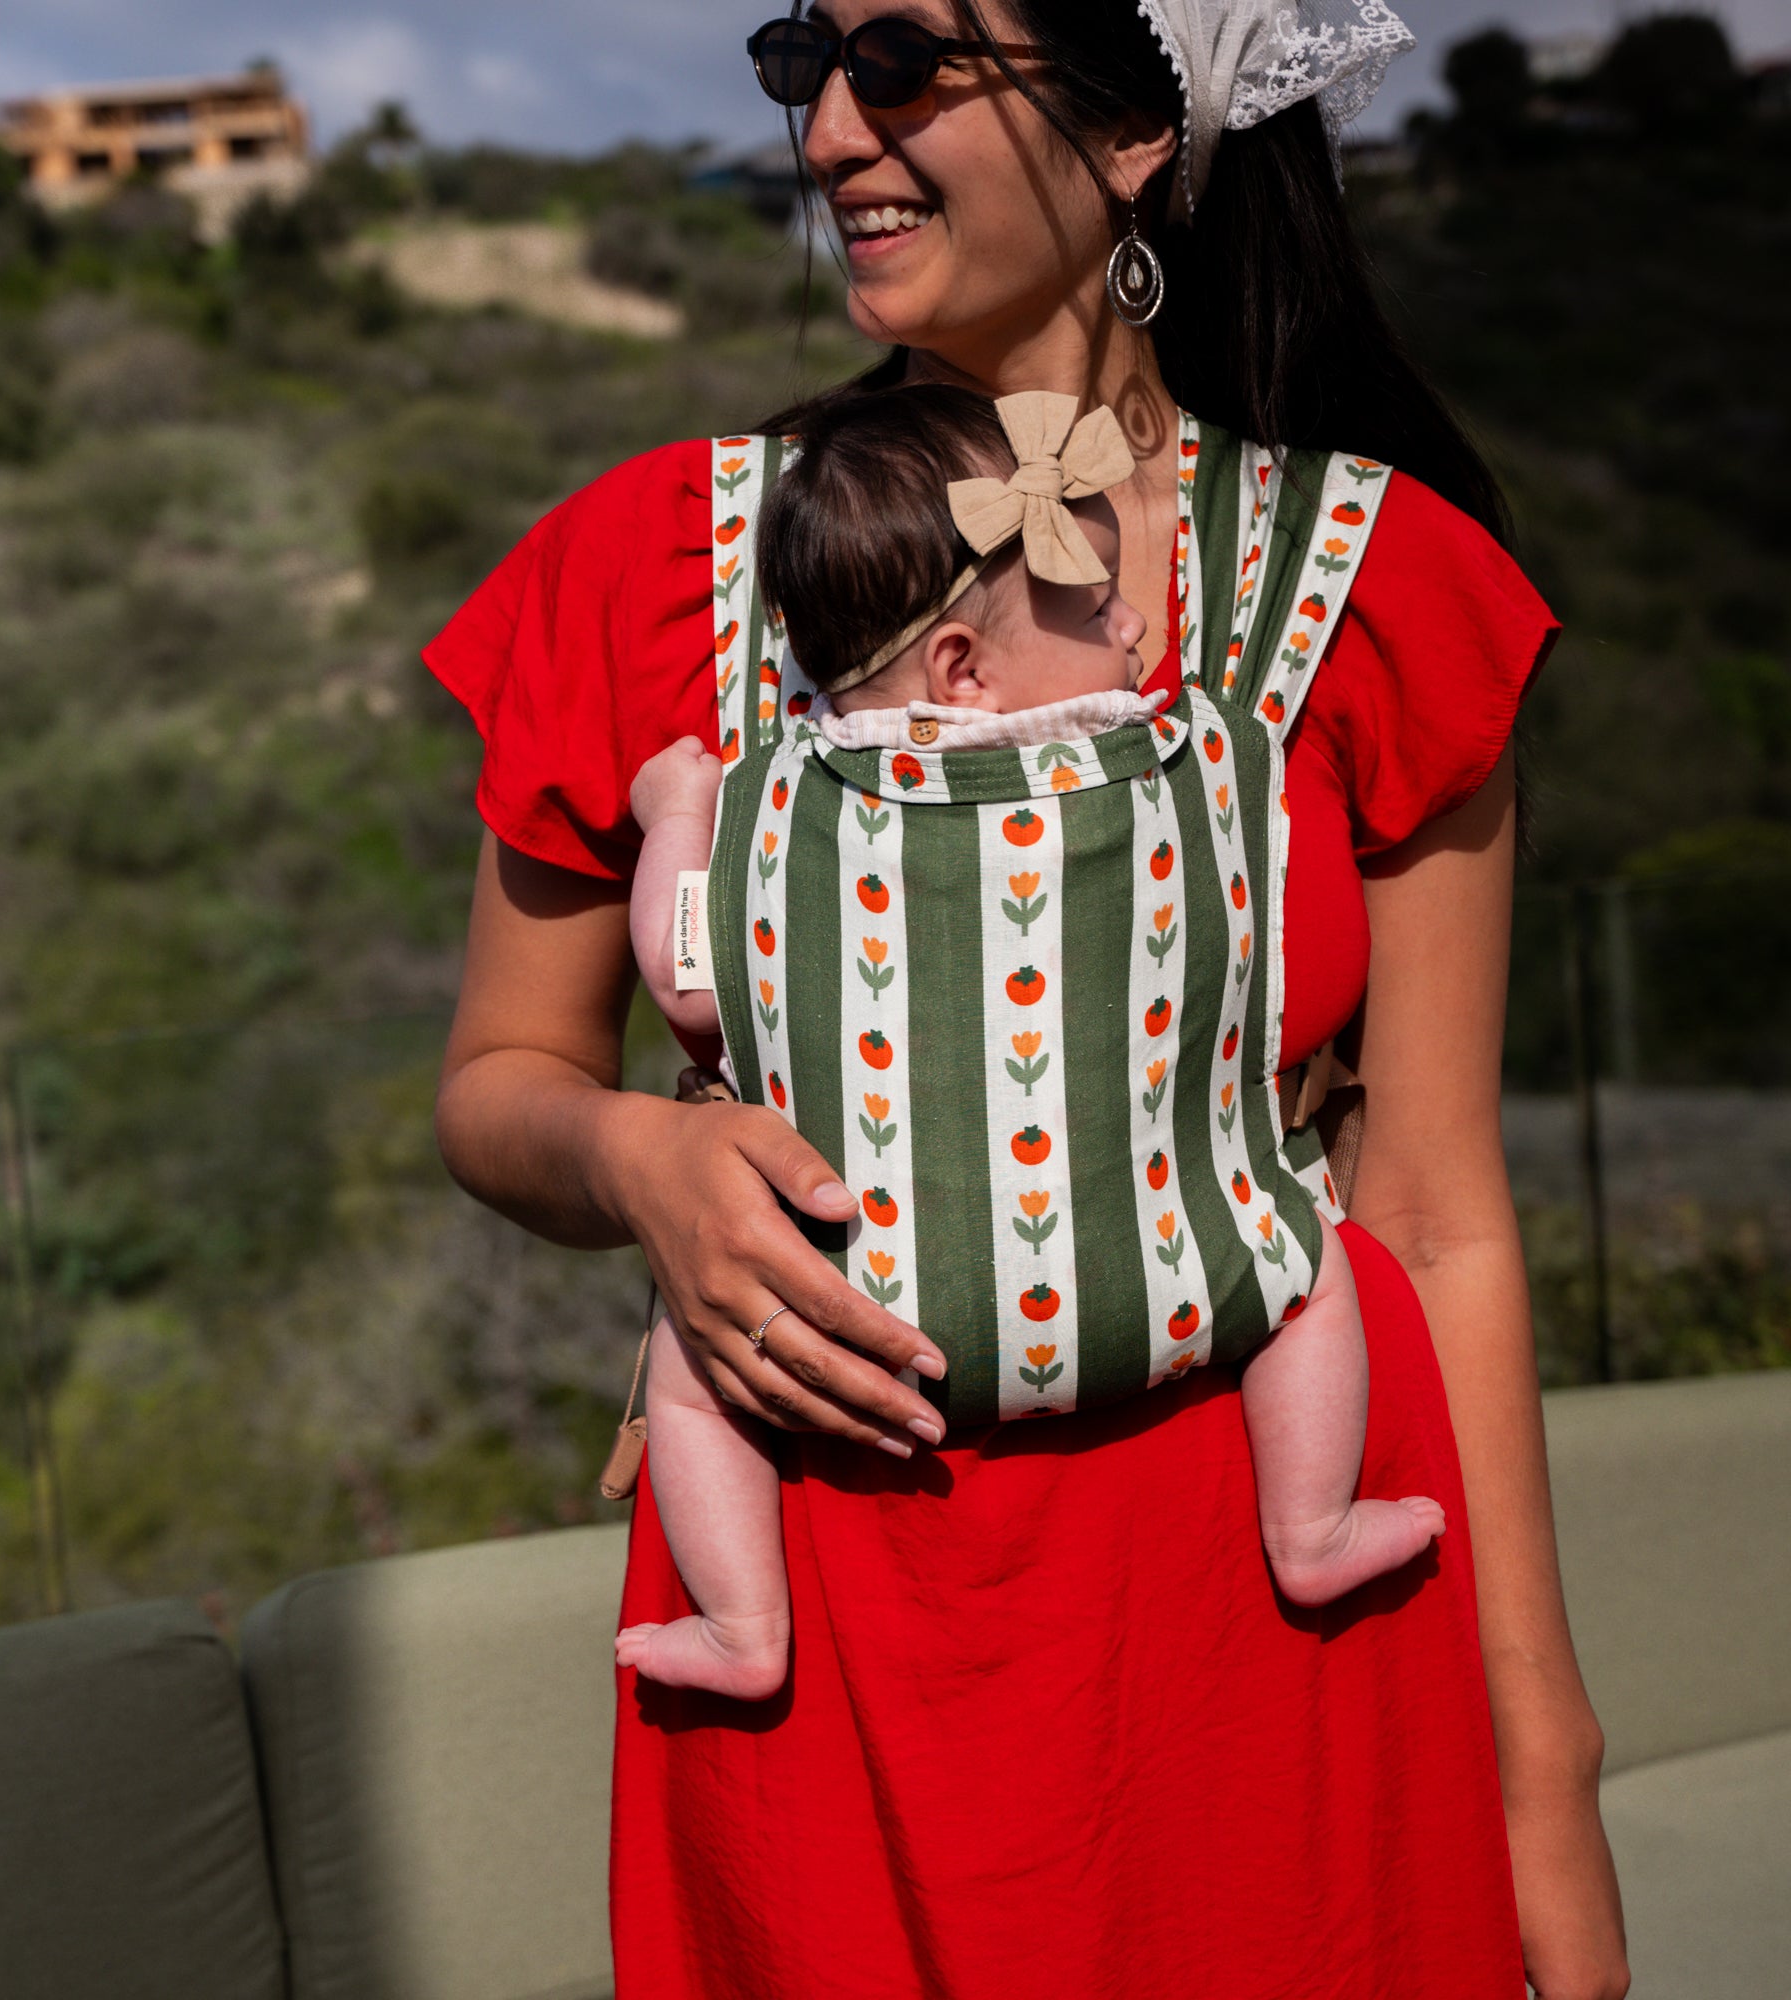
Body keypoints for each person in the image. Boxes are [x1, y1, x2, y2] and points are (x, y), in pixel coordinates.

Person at [427, 3, 1630, 1994]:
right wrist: (632, 1153)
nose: (827, 131)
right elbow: (500, 1080)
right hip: (830, 1637)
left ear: (1139, 132)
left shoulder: (1373, 580)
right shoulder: (646, 561)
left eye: (896, 60)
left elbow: (1431, 1211)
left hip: (1287, 1610)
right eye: (797, 59)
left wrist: (1541, 1766)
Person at [617, 382, 1444, 1699]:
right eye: (1098, 602)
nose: (1138, 627)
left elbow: (690, 989)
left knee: (694, 1372)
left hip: (865, 1333)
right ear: (962, 667)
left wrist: (678, 815)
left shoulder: (778, 815)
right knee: (1308, 1261)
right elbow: (1269, 988)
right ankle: (1313, 1526)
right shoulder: (1200, 770)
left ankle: (741, 1625)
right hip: (1175, 1293)